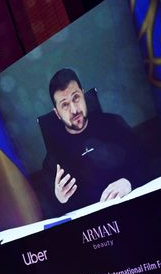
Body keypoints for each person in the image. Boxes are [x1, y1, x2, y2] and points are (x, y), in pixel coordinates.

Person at [44, 68, 148, 210]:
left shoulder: (114, 124)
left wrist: (129, 182)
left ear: (83, 95)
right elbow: (51, 213)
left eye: (76, 97)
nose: (74, 110)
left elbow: (146, 163)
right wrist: (60, 200)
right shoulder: (54, 158)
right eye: (65, 105)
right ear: (57, 113)